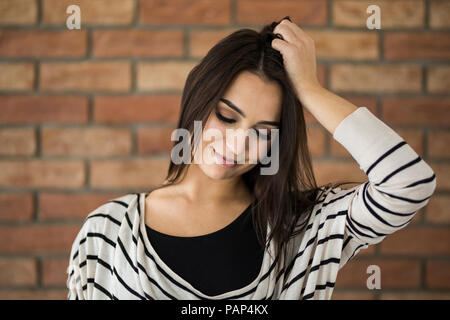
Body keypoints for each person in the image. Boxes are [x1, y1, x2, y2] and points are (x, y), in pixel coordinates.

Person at [66, 16, 436, 300]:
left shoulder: (300, 227)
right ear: (198, 100)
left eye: (263, 132)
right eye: (226, 116)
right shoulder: (107, 232)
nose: (238, 143)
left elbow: (408, 184)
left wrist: (308, 89)